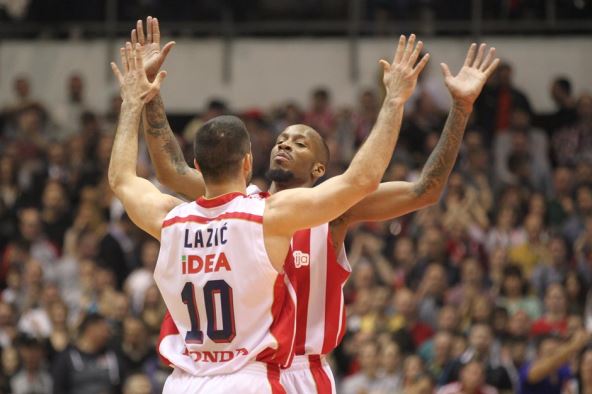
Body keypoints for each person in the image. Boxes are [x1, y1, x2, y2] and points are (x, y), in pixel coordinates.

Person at [130, 16, 499, 393]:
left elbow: (426, 189)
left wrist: (461, 108)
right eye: (283, 139)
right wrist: (150, 92)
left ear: (320, 168)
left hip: (304, 371)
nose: (286, 144)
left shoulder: (338, 210)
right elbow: (173, 170)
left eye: (301, 143)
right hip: (247, 371)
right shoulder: (247, 209)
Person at [519, 331, 590, 394]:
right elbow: (534, 374)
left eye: (558, 352)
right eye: (550, 353)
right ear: (538, 353)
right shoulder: (527, 368)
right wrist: (573, 345)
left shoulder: (562, 371)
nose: (557, 357)